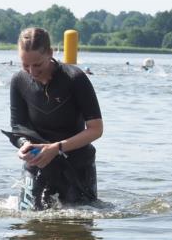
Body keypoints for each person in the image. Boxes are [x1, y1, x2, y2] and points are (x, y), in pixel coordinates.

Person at [8, 27, 104, 208]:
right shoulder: (18, 81)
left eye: (37, 65)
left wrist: (56, 148)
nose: (31, 71)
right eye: (25, 65)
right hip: (37, 164)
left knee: (78, 227)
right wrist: (24, 145)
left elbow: (96, 129)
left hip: (76, 165)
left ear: (50, 53)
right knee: (28, 227)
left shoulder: (74, 78)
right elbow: (18, 127)